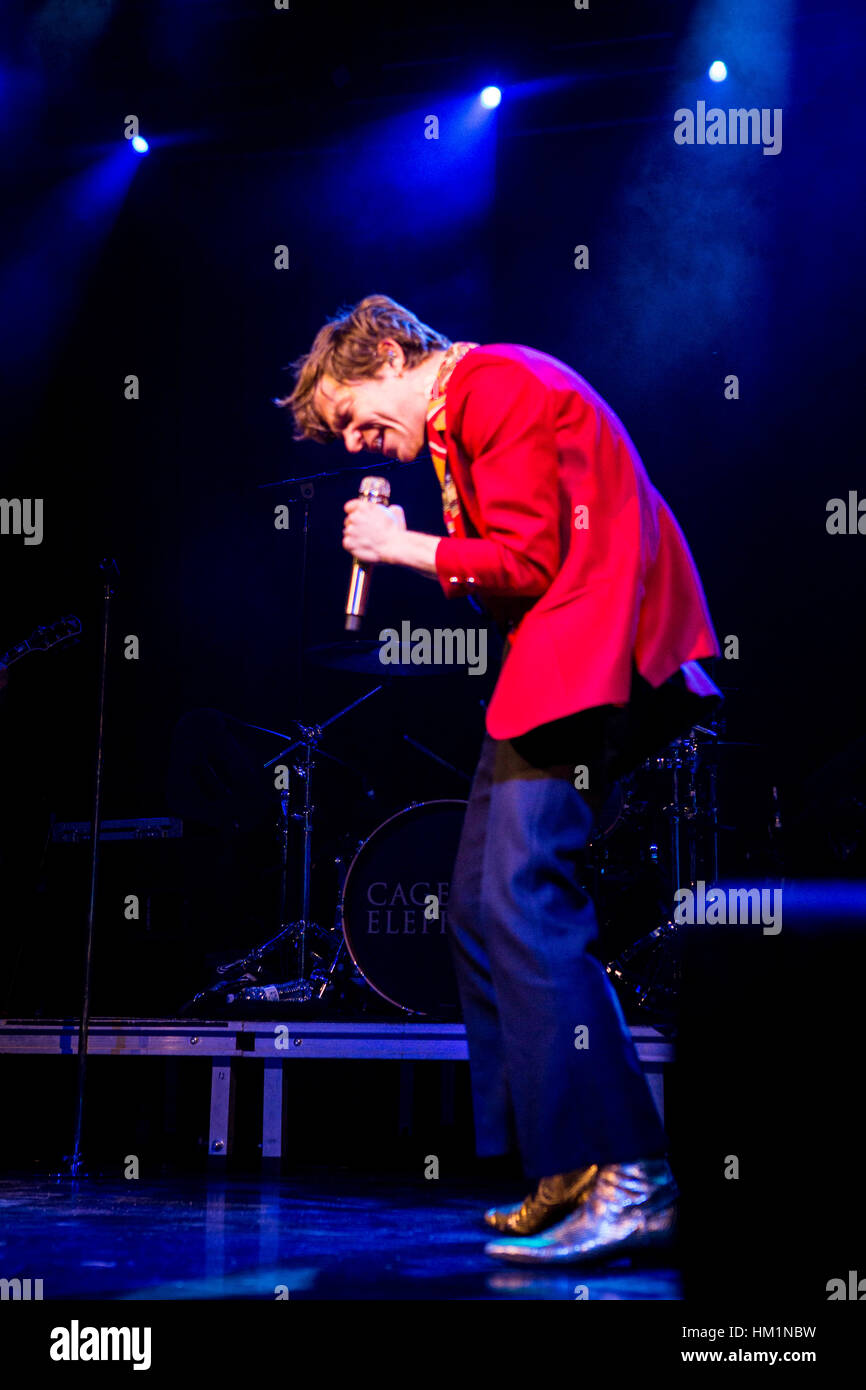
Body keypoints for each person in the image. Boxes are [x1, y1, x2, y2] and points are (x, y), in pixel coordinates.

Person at [280, 294, 721, 1266]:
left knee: (523, 898)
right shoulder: (464, 411)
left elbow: (528, 557)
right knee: (479, 906)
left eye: (357, 415)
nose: (364, 443)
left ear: (392, 352)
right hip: (549, 673)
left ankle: (633, 1174)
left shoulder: (493, 386)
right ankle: (567, 1167)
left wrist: (401, 548)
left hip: (585, 665)